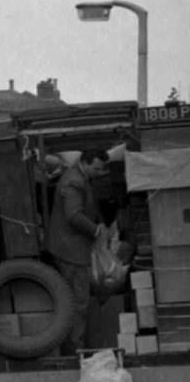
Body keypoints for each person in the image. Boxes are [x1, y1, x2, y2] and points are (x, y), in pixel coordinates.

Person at [43, 148, 110, 355]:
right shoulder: (74, 181)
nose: (99, 173)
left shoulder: (79, 177)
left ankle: (75, 346)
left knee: (75, 299)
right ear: (85, 162)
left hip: (71, 247)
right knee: (78, 301)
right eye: (97, 168)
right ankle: (75, 350)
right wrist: (96, 229)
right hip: (70, 250)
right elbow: (73, 215)